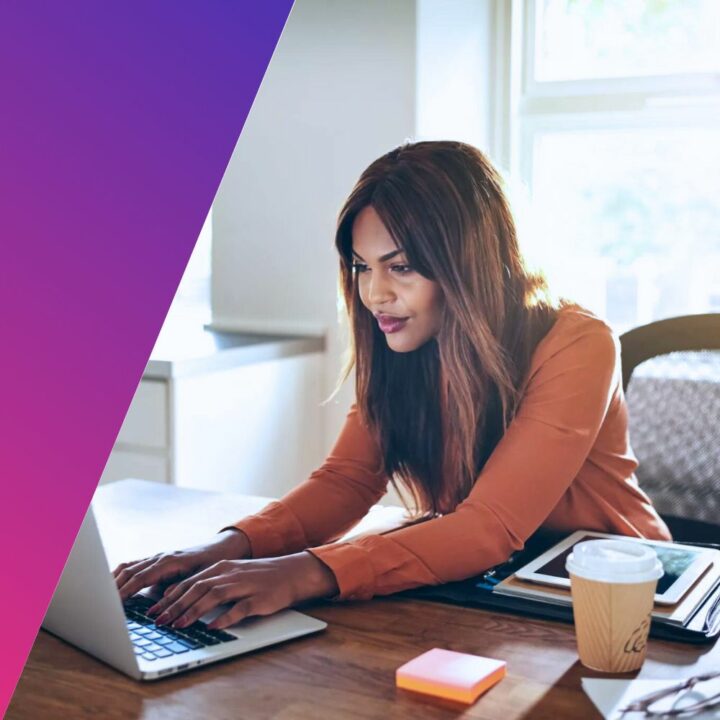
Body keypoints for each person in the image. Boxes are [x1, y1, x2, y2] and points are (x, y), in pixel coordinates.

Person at [114, 141, 670, 631]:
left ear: (470, 262)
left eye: (400, 267)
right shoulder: (402, 339)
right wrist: (222, 548)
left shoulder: (578, 342)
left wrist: (301, 572)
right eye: (361, 267)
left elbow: (487, 528)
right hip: (490, 591)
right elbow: (348, 482)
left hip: (626, 597)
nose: (374, 294)